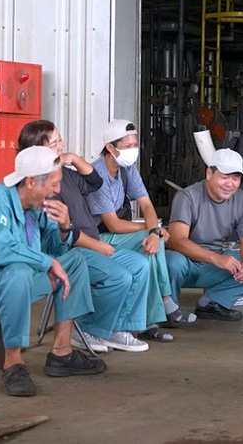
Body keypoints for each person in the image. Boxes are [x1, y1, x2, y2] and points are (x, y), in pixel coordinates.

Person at [0, 146, 106, 397]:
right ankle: (13, 365)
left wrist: (65, 227)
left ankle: (62, 353)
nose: (58, 190)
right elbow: (1, 251)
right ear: (30, 182)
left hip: (12, 285)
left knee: (74, 262)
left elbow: (53, 247)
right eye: (54, 184)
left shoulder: (37, 208)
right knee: (16, 272)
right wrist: (47, 262)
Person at [17, 120, 153, 351]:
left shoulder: (66, 175)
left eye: (60, 140)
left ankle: (117, 329)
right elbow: (62, 233)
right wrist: (97, 246)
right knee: (120, 277)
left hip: (91, 243)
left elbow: (95, 181)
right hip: (73, 249)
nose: (60, 146)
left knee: (140, 265)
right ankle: (89, 328)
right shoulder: (42, 185)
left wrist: (72, 158)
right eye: (54, 143)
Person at [87, 120, 194, 333]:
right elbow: (113, 225)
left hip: (119, 235)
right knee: (153, 240)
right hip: (98, 239)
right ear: (110, 147)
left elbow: (146, 205)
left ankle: (151, 317)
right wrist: (150, 229)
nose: (133, 150)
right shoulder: (97, 175)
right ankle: (164, 303)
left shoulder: (127, 169)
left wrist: (153, 231)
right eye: (128, 146)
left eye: (135, 145)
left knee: (152, 244)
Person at [165, 149, 243, 321]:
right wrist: (216, 258)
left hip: (213, 267)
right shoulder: (187, 196)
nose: (230, 184)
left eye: (235, 178)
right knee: (172, 261)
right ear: (209, 174)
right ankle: (168, 311)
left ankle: (211, 303)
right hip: (186, 265)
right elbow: (177, 241)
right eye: (224, 177)